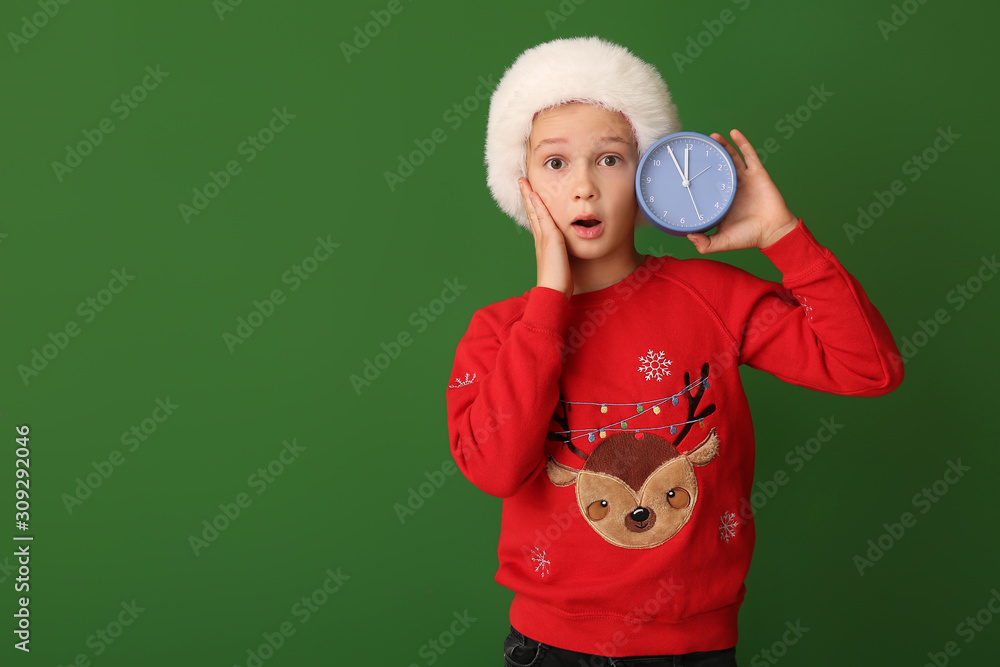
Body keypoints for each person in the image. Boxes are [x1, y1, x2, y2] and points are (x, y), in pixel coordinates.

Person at [445, 36, 903, 666]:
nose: (583, 187)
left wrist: (782, 236)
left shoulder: (712, 297)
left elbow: (868, 368)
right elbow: (495, 469)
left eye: (610, 159)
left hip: (696, 648)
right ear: (521, 185)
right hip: (552, 648)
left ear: (651, 170)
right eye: (555, 164)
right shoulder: (501, 330)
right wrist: (550, 302)